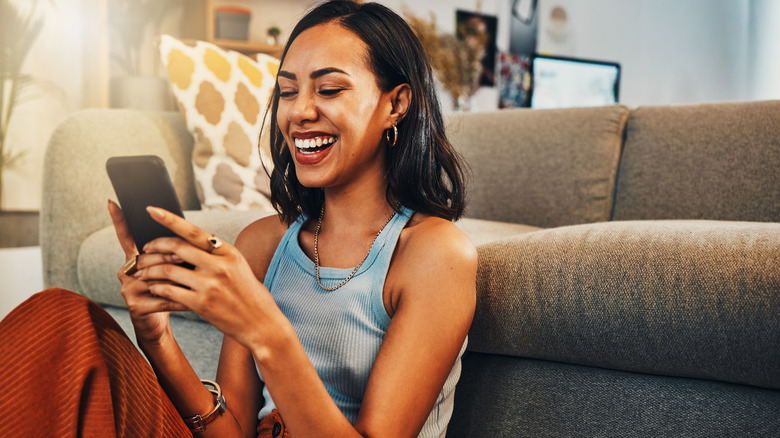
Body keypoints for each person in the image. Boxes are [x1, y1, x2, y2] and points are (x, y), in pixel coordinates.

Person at [0, 1, 476, 437]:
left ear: (396, 104)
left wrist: (264, 328)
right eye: (288, 92)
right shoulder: (265, 244)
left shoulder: (433, 255)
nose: (300, 112)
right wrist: (157, 338)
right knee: (63, 318)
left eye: (329, 89)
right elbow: (227, 430)